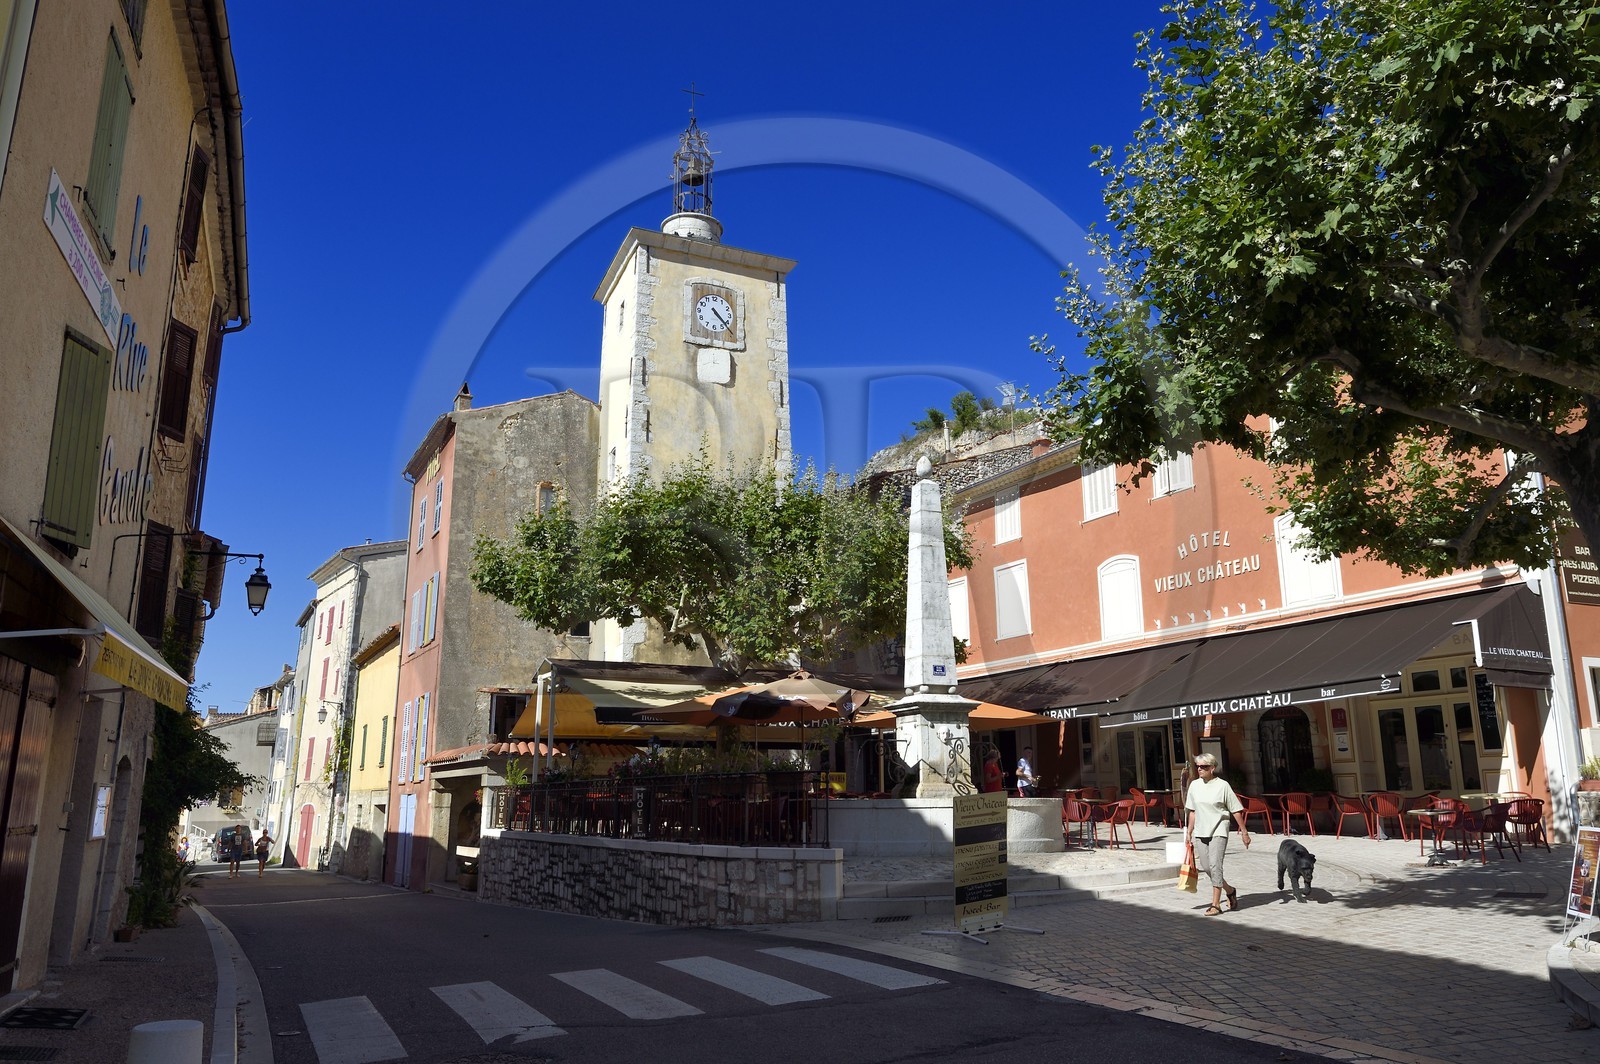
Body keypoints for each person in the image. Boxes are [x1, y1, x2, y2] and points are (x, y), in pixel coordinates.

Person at [1183, 753, 1250, 915]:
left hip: (1219, 829)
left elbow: (1235, 810)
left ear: (1212, 768)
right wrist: (1189, 832)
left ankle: (1216, 905)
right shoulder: (1194, 786)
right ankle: (1230, 890)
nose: (1200, 769)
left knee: (1215, 866)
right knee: (1207, 867)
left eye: (1204, 766)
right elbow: (1192, 811)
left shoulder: (1223, 786)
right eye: (1198, 766)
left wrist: (1244, 832)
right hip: (1201, 830)